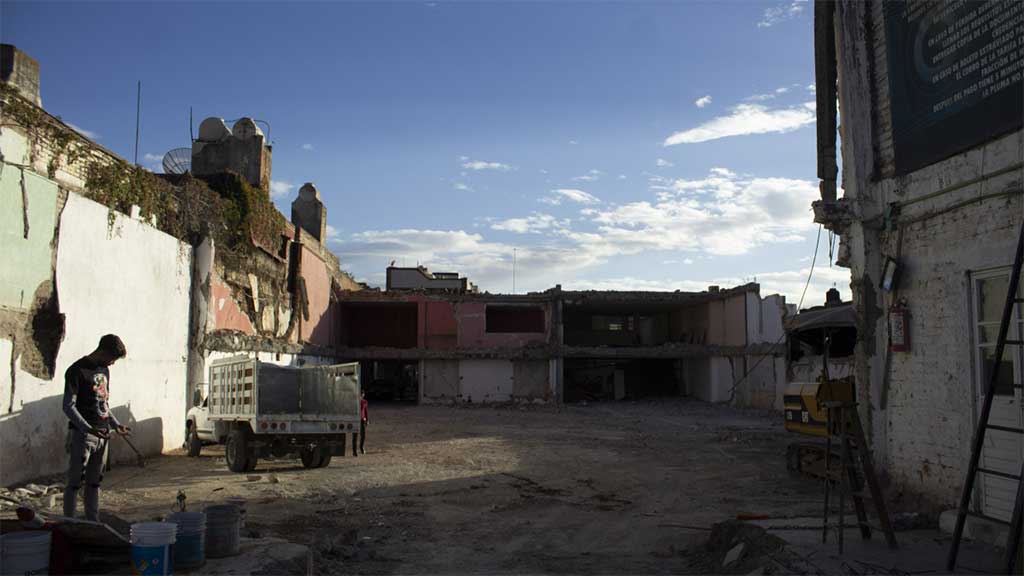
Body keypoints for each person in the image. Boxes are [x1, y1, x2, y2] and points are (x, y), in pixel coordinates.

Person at [63, 334, 129, 520]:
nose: (112, 363)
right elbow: (68, 406)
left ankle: (93, 521)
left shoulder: (104, 370)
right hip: (83, 436)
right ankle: (70, 522)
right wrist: (87, 428)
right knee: (75, 483)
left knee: (94, 483)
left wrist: (115, 425)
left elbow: (103, 403)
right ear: (102, 351)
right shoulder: (77, 371)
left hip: (103, 434)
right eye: (112, 358)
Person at [352, 391, 368, 456]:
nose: (361, 396)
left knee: (363, 435)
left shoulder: (364, 402)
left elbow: (366, 411)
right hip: (355, 419)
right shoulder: (354, 402)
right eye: (360, 395)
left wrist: (367, 420)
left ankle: (361, 448)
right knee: (355, 436)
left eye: (362, 395)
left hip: (362, 419)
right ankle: (354, 451)